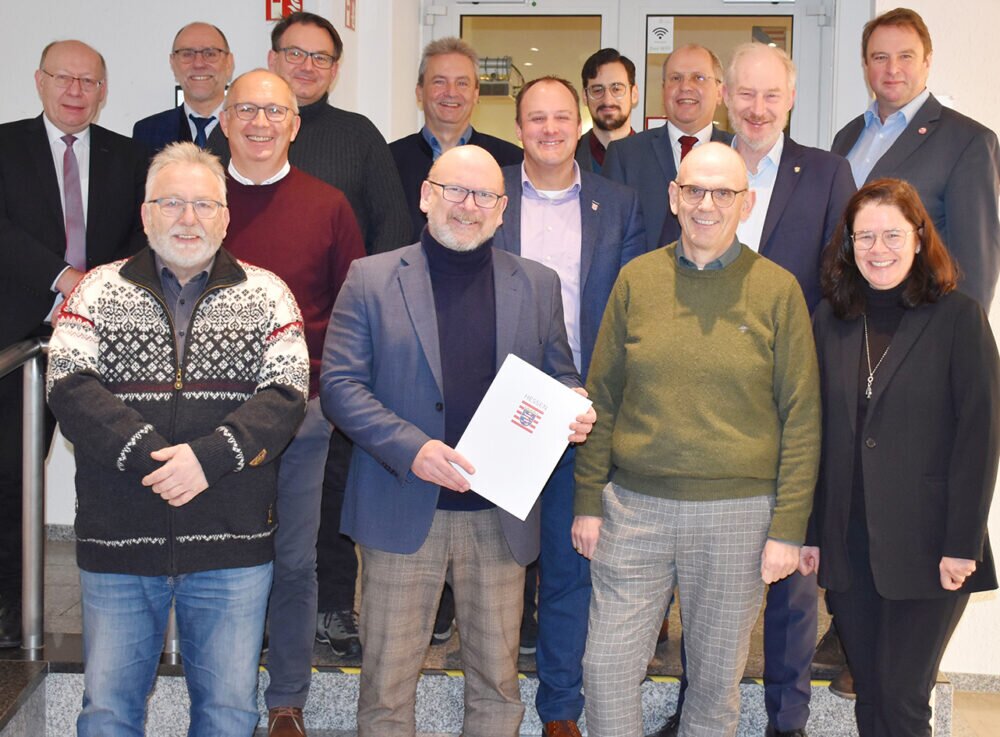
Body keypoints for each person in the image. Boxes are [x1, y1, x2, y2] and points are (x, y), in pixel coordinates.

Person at [320, 144, 596, 737]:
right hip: (401, 510)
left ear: (503, 210)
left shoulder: (537, 284)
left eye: (485, 196)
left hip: (497, 517)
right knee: (387, 689)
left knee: (497, 689)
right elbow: (339, 387)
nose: (469, 206)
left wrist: (573, 405)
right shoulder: (371, 278)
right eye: (456, 191)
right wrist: (412, 449)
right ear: (426, 196)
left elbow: (560, 374)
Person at [46, 141, 310, 737]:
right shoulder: (97, 290)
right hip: (119, 542)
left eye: (204, 205)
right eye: (171, 203)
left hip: (231, 546)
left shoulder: (269, 293)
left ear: (225, 216)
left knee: (229, 714)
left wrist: (206, 459)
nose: (188, 218)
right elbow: (68, 384)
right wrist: (159, 460)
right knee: (109, 713)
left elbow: (286, 394)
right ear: (146, 215)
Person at [574, 142, 821, 737]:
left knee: (713, 688)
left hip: (737, 515)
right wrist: (587, 502)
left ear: (746, 203)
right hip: (635, 509)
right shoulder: (636, 281)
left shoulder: (778, 290)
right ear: (673, 196)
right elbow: (602, 397)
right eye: (694, 190)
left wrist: (788, 529)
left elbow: (802, 417)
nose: (706, 204)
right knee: (604, 671)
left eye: (723, 193)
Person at [653, 42, 856, 737]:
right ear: (723, 95)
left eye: (772, 95)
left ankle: (786, 719)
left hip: (790, 397)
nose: (758, 108)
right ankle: (696, 710)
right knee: (704, 574)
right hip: (705, 403)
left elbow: (842, 285)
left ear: (791, 100)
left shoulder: (826, 174)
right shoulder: (698, 170)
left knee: (791, 569)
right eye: (745, 93)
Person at [800, 177, 999, 737]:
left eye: (892, 234)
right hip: (849, 543)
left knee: (903, 699)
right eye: (864, 236)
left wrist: (962, 543)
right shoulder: (831, 320)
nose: (878, 249)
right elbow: (814, 432)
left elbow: (980, 438)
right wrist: (811, 531)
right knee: (870, 696)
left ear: (918, 237)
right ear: (849, 245)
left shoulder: (958, 317)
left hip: (931, 545)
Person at [490, 76, 646, 737]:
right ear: (518, 127)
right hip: (499, 409)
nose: (549, 129)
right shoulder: (488, 191)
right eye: (536, 118)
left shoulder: (619, 203)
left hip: (582, 412)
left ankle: (560, 709)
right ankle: (493, 701)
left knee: (568, 567)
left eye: (561, 117)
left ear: (578, 124)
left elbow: (632, 310)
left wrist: (599, 396)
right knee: (494, 568)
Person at [217, 68, 365, 737]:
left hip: (301, 414)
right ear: (225, 119)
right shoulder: (197, 199)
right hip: (211, 419)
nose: (260, 122)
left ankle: (286, 700)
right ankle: (223, 696)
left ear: (295, 124)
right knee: (220, 559)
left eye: (274, 111)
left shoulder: (328, 205)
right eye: (247, 109)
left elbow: (351, 312)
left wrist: (325, 391)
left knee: (296, 560)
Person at [0, 39, 147, 648]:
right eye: (64, 78)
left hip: (104, 343)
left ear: (103, 91)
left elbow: (144, 235)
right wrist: (64, 279)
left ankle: (119, 609)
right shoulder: (4, 145)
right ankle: (9, 606)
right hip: (16, 342)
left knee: (114, 474)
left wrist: (98, 292)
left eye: (89, 81)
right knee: (10, 475)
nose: (76, 91)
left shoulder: (129, 156)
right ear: (39, 81)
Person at [831, 7, 1000, 309]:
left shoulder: (968, 142)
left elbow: (976, 268)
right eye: (880, 57)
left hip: (921, 319)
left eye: (906, 56)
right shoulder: (846, 137)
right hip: (851, 316)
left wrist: (963, 332)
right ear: (866, 64)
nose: (892, 69)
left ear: (927, 61)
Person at [266, 10, 410, 256]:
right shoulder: (242, 129)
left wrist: (368, 279)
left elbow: (394, 224)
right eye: (295, 54)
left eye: (321, 58)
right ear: (273, 59)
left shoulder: (359, 134)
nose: (307, 66)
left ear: (334, 70)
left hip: (344, 281)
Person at [390, 36, 523, 241]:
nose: (451, 92)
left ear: (476, 93)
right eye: (439, 82)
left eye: (462, 83)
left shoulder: (511, 161)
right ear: (419, 92)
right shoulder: (388, 161)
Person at [603, 44, 731, 251]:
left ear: (719, 92)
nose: (685, 86)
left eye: (698, 77)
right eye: (675, 78)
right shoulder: (625, 155)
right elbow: (610, 239)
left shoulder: (736, 153)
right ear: (663, 90)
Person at [132, 22, 234, 154]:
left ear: (229, 63)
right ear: (172, 63)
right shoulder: (147, 132)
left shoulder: (249, 129)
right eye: (187, 54)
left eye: (210, 54)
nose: (198, 64)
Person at [575, 48, 638, 175]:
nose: (608, 100)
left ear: (634, 94)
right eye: (597, 90)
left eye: (617, 89)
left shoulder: (655, 157)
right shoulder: (568, 155)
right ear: (585, 96)